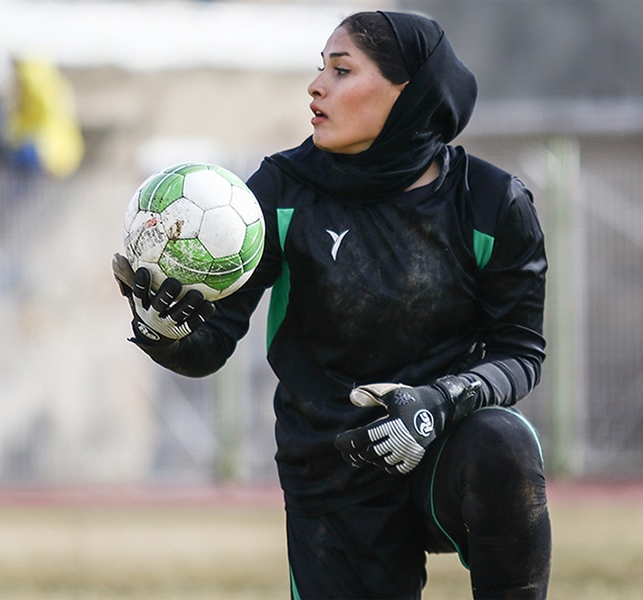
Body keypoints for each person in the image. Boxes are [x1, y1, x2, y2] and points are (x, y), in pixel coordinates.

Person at [113, 10, 551, 599]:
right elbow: (209, 347)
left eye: (341, 71)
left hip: (442, 446)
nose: (316, 87)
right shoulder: (279, 189)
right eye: (320, 68)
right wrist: (161, 327)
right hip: (332, 468)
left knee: (505, 443)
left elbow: (520, 353)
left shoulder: (493, 202)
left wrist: (436, 403)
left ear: (410, 93)